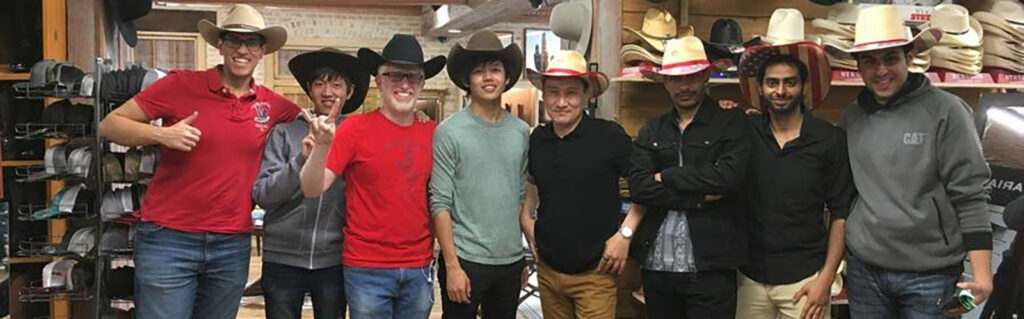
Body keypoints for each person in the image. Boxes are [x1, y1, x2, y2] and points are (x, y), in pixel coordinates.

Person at [96, 4, 297, 319]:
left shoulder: (272, 105)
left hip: (231, 244)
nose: (243, 49)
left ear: (263, 51)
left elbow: (313, 123)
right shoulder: (181, 84)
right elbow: (109, 124)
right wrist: (162, 135)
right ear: (220, 45)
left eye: (252, 42)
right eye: (234, 40)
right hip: (169, 239)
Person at [824, 5, 993, 318]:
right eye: (870, 61)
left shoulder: (947, 112)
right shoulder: (853, 116)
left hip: (931, 275)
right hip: (865, 271)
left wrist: (983, 275)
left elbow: (971, 195)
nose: (881, 71)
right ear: (858, 66)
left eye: (890, 58)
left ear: (909, 57)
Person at [299, 34, 445, 319]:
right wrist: (321, 149)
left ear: (422, 83)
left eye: (413, 77)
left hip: (419, 266)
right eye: (394, 75)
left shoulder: (435, 134)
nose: (404, 84)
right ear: (378, 81)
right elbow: (311, 188)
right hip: (366, 267)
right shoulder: (354, 130)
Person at [627, 36, 750, 319]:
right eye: (676, 78)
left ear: (706, 75)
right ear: (665, 82)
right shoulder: (652, 129)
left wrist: (666, 176)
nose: (684, 86)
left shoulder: (732, 121)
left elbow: (729, 179)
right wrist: (699, 197)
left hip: (711, 268)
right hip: (657, 266)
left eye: (692, 76)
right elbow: (639, 187)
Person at [733, 42, 855, 319]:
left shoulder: (830, 139)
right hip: (749, 277)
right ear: (761, 88)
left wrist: (826, 279)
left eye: (790, 82)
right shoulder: (743, 131)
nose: (780, 91)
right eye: (772, 83)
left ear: (803, 87)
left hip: (805, 277)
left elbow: (841, 213)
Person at [252, 47, 369, 319]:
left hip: (335, 259)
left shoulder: (357, 136)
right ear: (309, 89)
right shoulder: (284, 133)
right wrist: (300, 160)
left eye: (337, 84)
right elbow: (263, 195)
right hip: (282, 258)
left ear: (349, 92)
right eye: (320, 83)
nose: (328, 92)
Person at [521, 50, 635, 319]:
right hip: (548, 273)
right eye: (553, 93)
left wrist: (625, 235)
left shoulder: (610, 137)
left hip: (595, 274)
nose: (561, 102)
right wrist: (526, 219)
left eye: (571, 93)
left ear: (586, 95)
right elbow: (532, 186)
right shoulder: (538, 139)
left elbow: (644, 189)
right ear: (544, 95)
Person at [429, 31, 529, 319]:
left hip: (509, 262)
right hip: (465, 259)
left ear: (506, 78)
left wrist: (521, 258)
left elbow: (519, 199)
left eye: (495, 70)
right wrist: (453, 266)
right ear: (467, 81)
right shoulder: (449, 132)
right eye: (479, 71)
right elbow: (439, 203)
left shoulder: (521, 132)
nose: (488, 78)